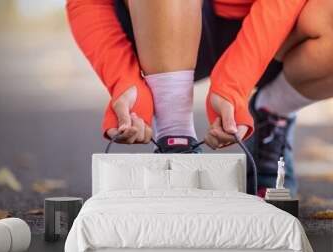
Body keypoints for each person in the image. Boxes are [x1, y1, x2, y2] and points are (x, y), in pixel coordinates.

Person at [66, 0, 333, 194]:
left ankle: (272, 112)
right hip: (163, 25)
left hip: (275, 34)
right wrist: (125, 82)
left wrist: (232, 86)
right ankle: (176, 139)